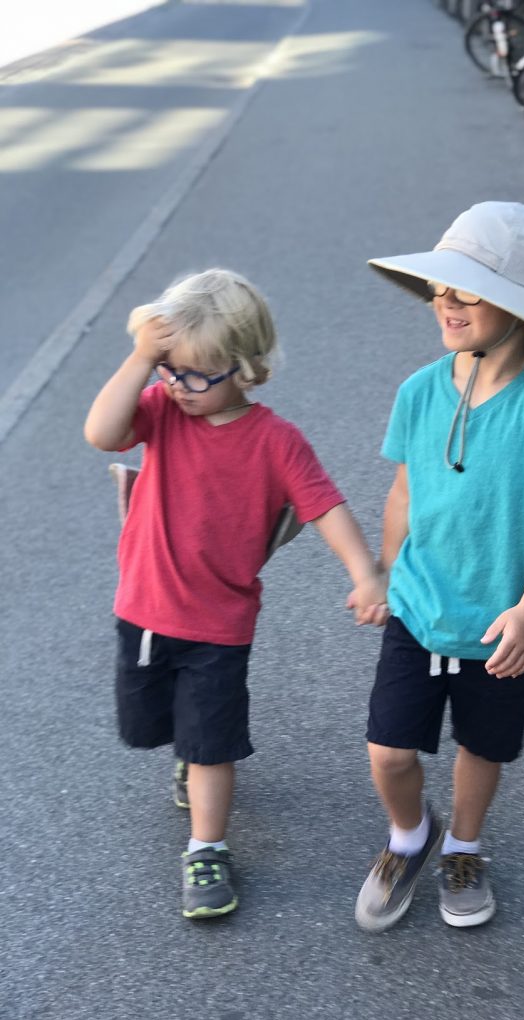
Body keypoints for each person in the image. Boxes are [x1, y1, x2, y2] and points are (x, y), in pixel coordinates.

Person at [84, 268, 387, 920]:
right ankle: (189, 760)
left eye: (197, 374)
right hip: (143, 607)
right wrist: (141, 358)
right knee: (148, 723)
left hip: (218, 625)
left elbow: (325, 507)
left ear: (245, 369)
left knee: (211, 741)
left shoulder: (276, 442)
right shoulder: (162, 408)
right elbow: (102, 433)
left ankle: (206, 846)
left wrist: (364, 573)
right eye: (171, 370)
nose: (179, 386)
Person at [354, 201, 524, 932]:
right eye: (442, 287)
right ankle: (410, 835)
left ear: (520, 307)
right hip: (416, 604)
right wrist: (380, 570)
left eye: (467, 290)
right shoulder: (417, 390)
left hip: (500, 622)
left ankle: (463, 845)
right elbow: (402, 490)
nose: (445, 301)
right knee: (388, 750)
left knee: (480, 745)